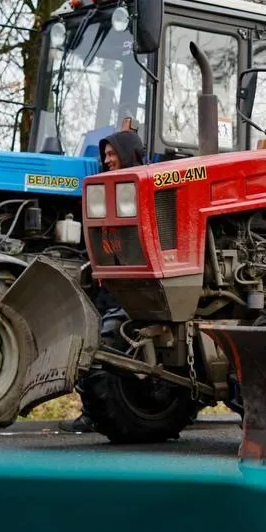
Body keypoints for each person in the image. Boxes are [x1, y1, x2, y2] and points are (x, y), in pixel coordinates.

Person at [59, 123, 147, 434]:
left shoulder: (145, 187)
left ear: (127, 154)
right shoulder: (104, 188)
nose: (107, 159)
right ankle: (93, 408)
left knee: (104, 341)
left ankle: (96, 412)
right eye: (105, 154)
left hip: (132, 280)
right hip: (107, 278)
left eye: (112, 154)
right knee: (91, 335)